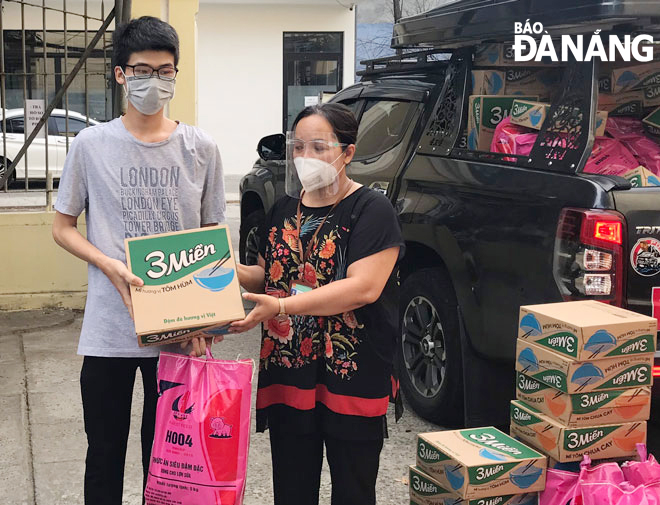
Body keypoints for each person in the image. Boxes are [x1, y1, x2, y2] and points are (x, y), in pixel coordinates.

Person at [51, 16, 225, 505]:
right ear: (121, 74)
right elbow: (63, 227)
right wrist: (107, 263)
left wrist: (209, 318)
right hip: (110, 328)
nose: (156, 81)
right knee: (103, 452)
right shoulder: (90, 146)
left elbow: (213, 237)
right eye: (143, 70)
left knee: (168, 459)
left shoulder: (201, 147)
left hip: (179, 329)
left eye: (166, 71)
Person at [231, 103, 404, 505]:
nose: (306, 157)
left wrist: (280, 309)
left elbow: (364, 288)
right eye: (299, 147)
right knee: (291, 490)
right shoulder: (281, 210)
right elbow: (267, 275)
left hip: (352, 374)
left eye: (319, 147)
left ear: (347, 152)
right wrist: (223, 266)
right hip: (289, 372)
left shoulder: (371, 210)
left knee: (353, 491)